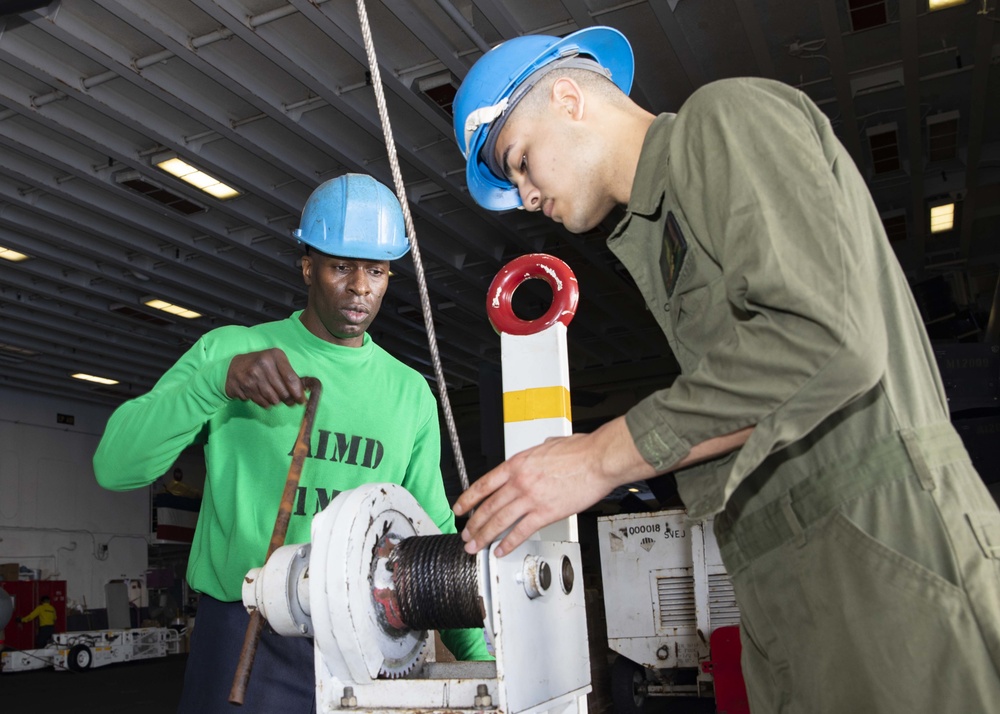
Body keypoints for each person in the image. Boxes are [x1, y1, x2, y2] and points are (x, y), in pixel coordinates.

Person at [449, 27, 1000, 713]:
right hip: (799, 588)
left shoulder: (724, 120)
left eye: (522, 161)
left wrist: (600, 458)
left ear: (568, 98)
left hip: (882, 558)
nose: (527, 196)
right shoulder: (662, 231)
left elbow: (824, 340)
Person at [94, 174, 491, 714]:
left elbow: (434, 534)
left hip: (365, 640)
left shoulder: (408, 392)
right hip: (243, 633)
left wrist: (483, 661)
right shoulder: (235, 350)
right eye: (340, 266)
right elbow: (116, 466)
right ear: (307, 265)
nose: (359, 287)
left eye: (375, 270)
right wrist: (215, 382)